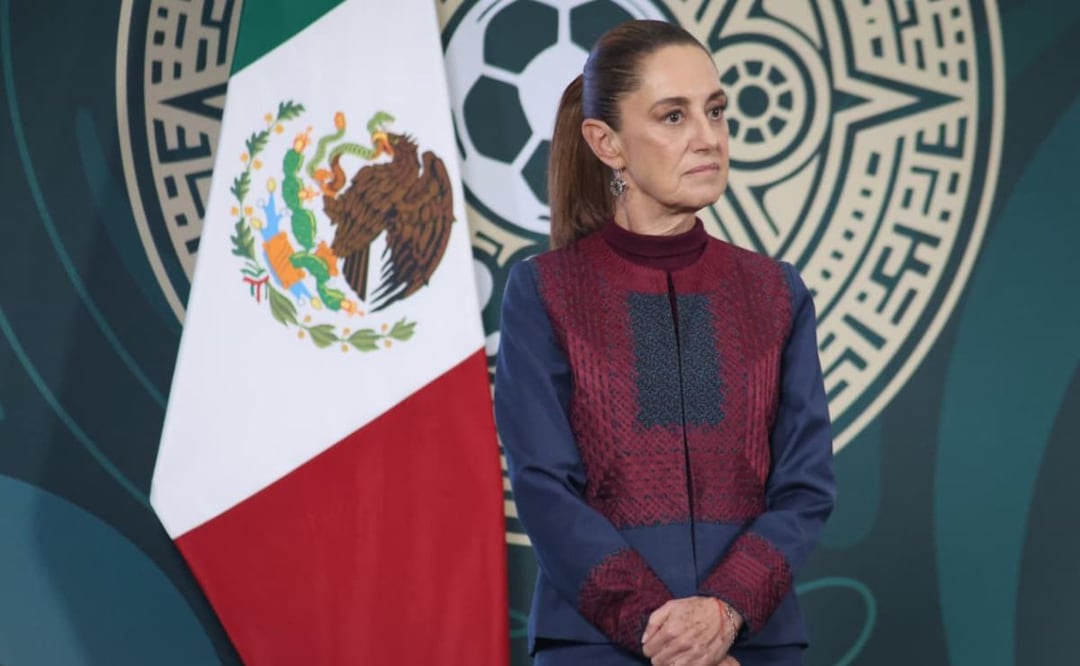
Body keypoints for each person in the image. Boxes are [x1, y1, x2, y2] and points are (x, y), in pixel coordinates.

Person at [493, 19, 836, 666]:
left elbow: (806, 484)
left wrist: (725, 613)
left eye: (716, 111)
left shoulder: (775, 292)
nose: (708, 137)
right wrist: (668, 633)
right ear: (606, 142)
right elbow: (543, 488)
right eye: (674, 116)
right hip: (596, 644)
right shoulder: (545, 292)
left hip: (753, 641)